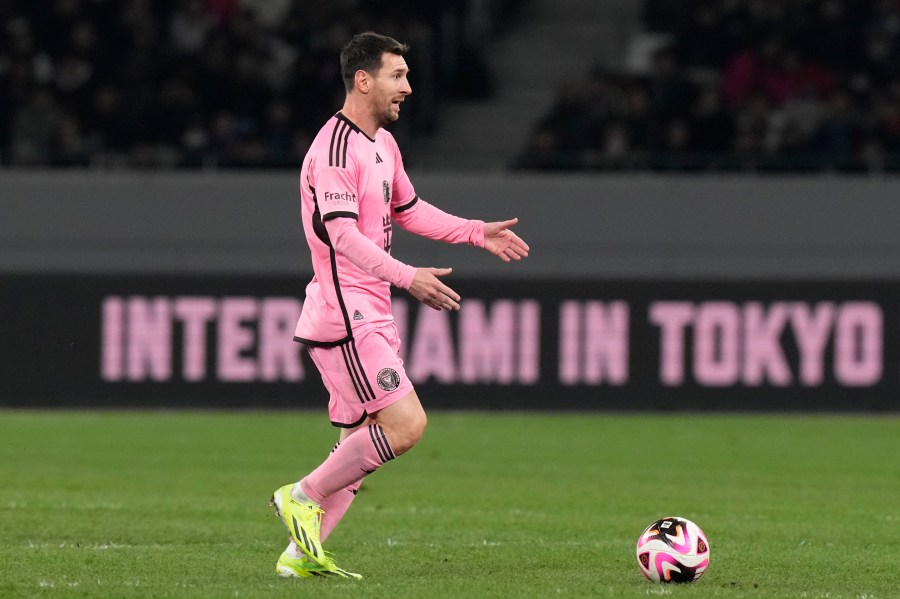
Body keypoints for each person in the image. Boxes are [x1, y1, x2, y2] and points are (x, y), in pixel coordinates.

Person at [269, 31, 530, 579]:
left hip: (370, 310)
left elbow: (408, 210)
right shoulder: (334, 149)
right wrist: (408, 276)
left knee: (357, 451)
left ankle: (298, 559)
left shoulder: (381, 145)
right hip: (346, 315)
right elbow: (341, 236)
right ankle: (300, 494)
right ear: (363, 81)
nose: (408, 88)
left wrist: (473, 231)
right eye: (397, 76)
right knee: (406, 425)